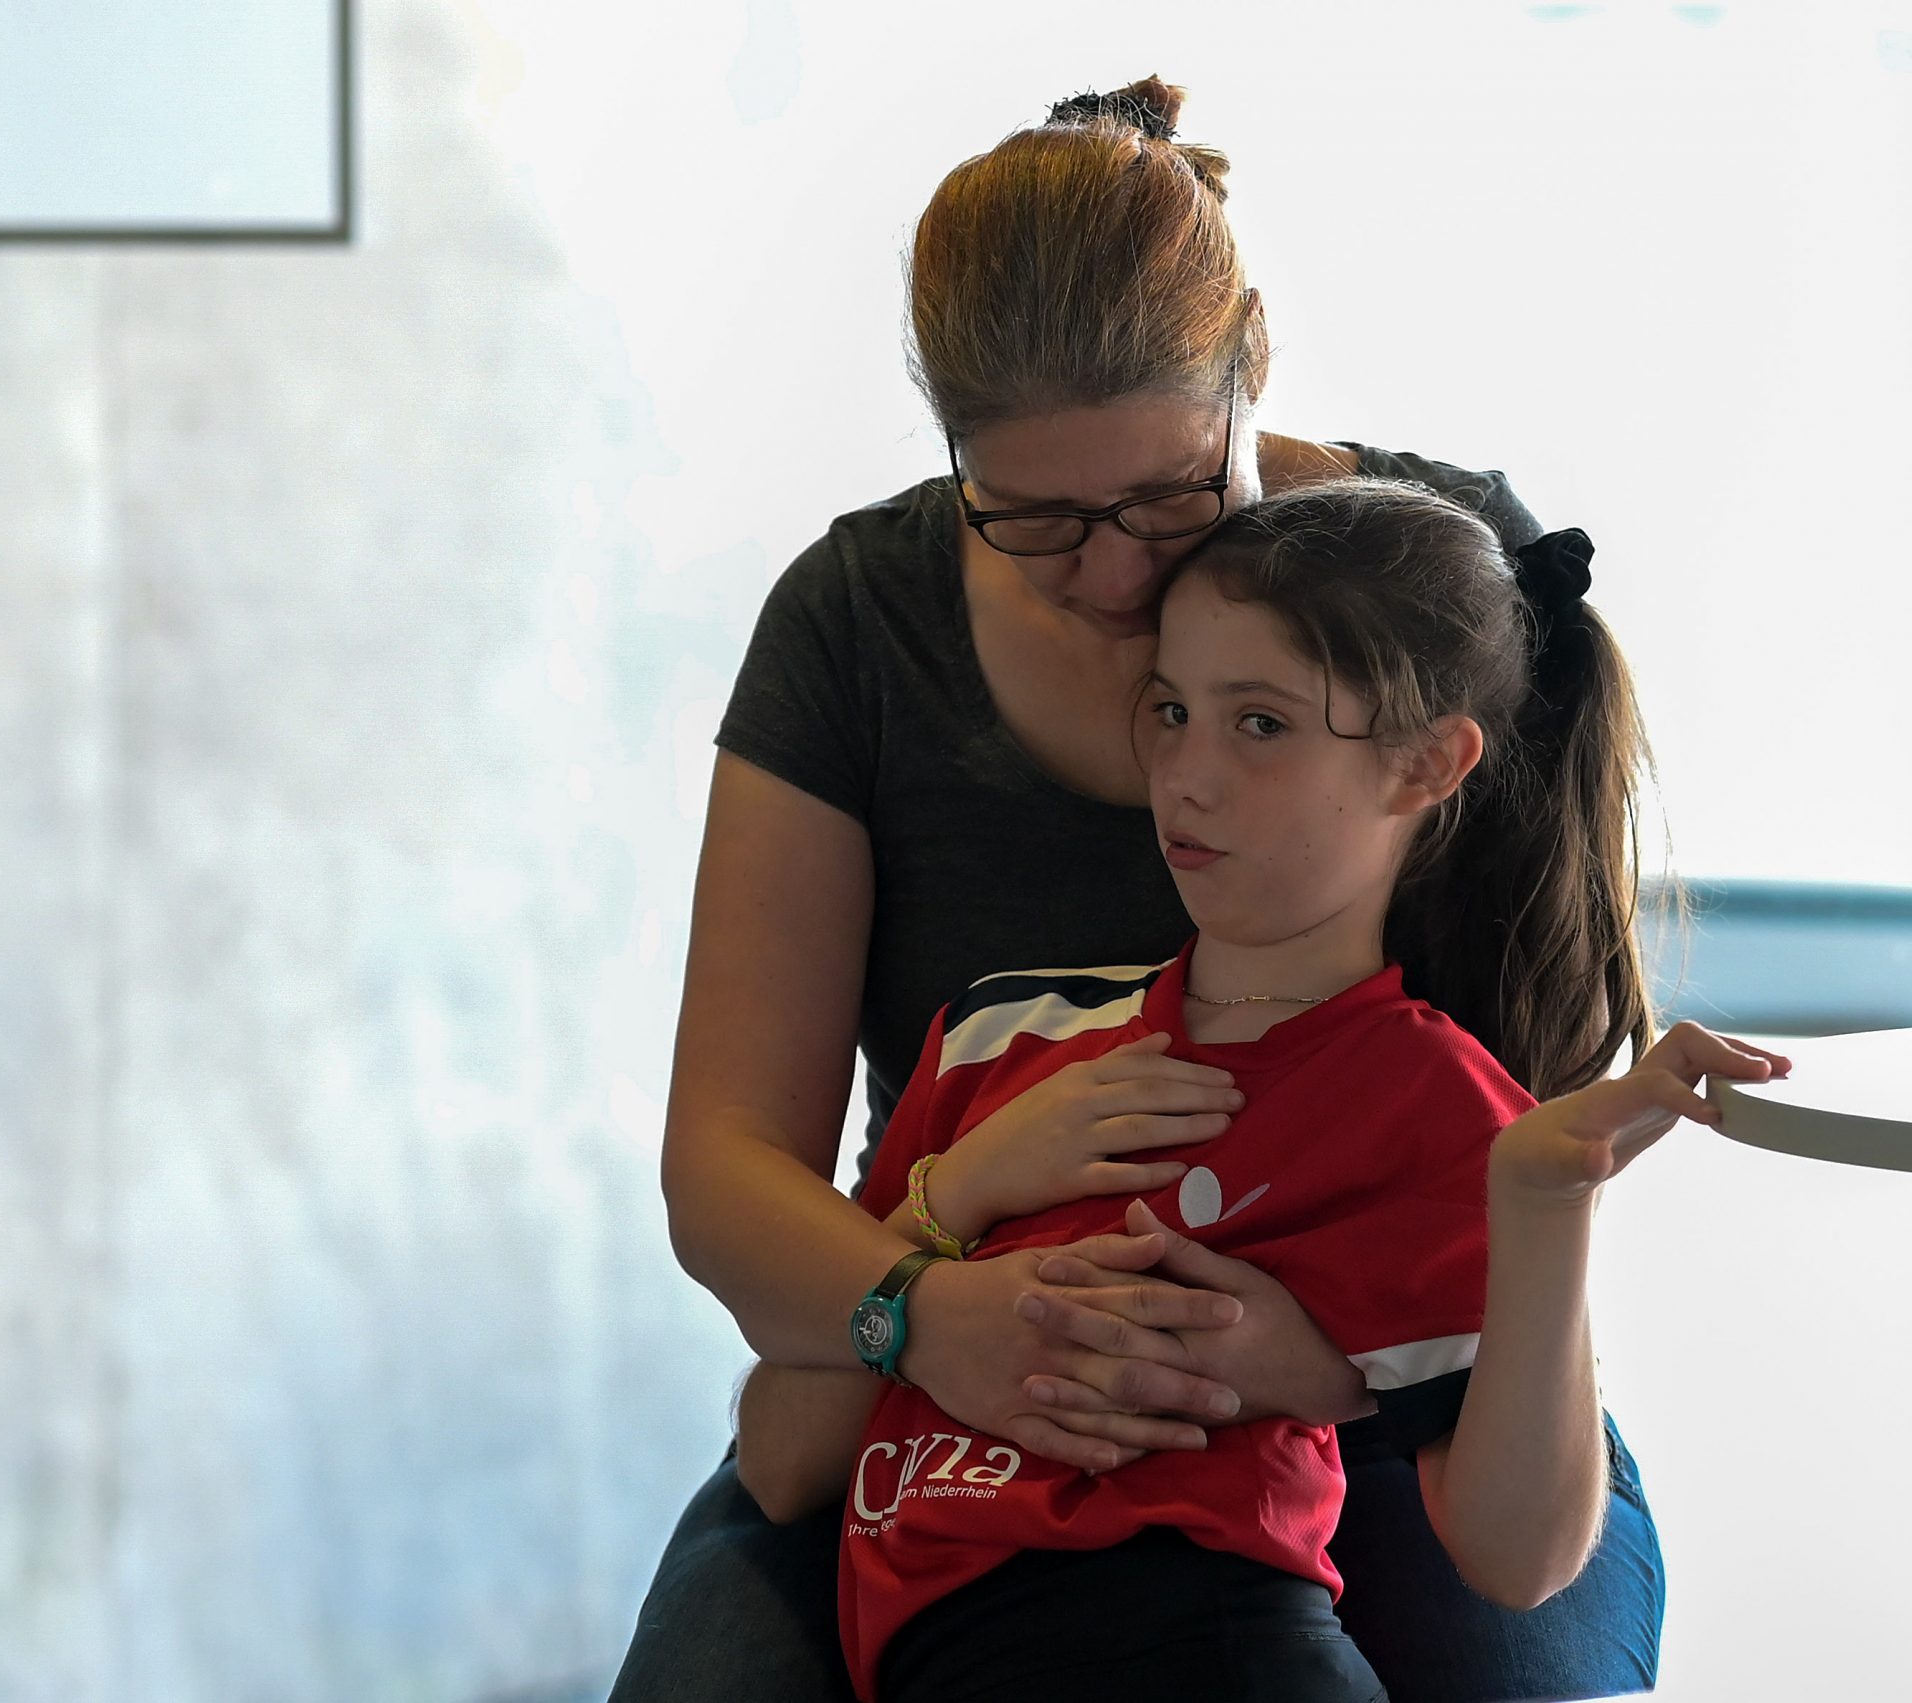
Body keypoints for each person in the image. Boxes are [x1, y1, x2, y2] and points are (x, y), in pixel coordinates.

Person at [611, 78, 1677, 1703]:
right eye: (1033, 518)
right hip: (953, 1356)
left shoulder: (1430, 576)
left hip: (1386, 1378)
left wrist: (1319, 1364)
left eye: (1169, 496)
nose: (1113, 575)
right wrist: (928, 1312)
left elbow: (1514, 1139)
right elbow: (728, 1168)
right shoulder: (858, 627)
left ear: (1253, 364)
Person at [733, 480, 1791, 1702]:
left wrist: (1549, 1204)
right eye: (1172, 710)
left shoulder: (1436, 1105)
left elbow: (1519, 1557)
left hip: (1215, 1648)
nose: (1184, 776)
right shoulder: (997, 1036)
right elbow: (781, 1456)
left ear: (1426, 763)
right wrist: (955, 1200)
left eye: (1261, 723)